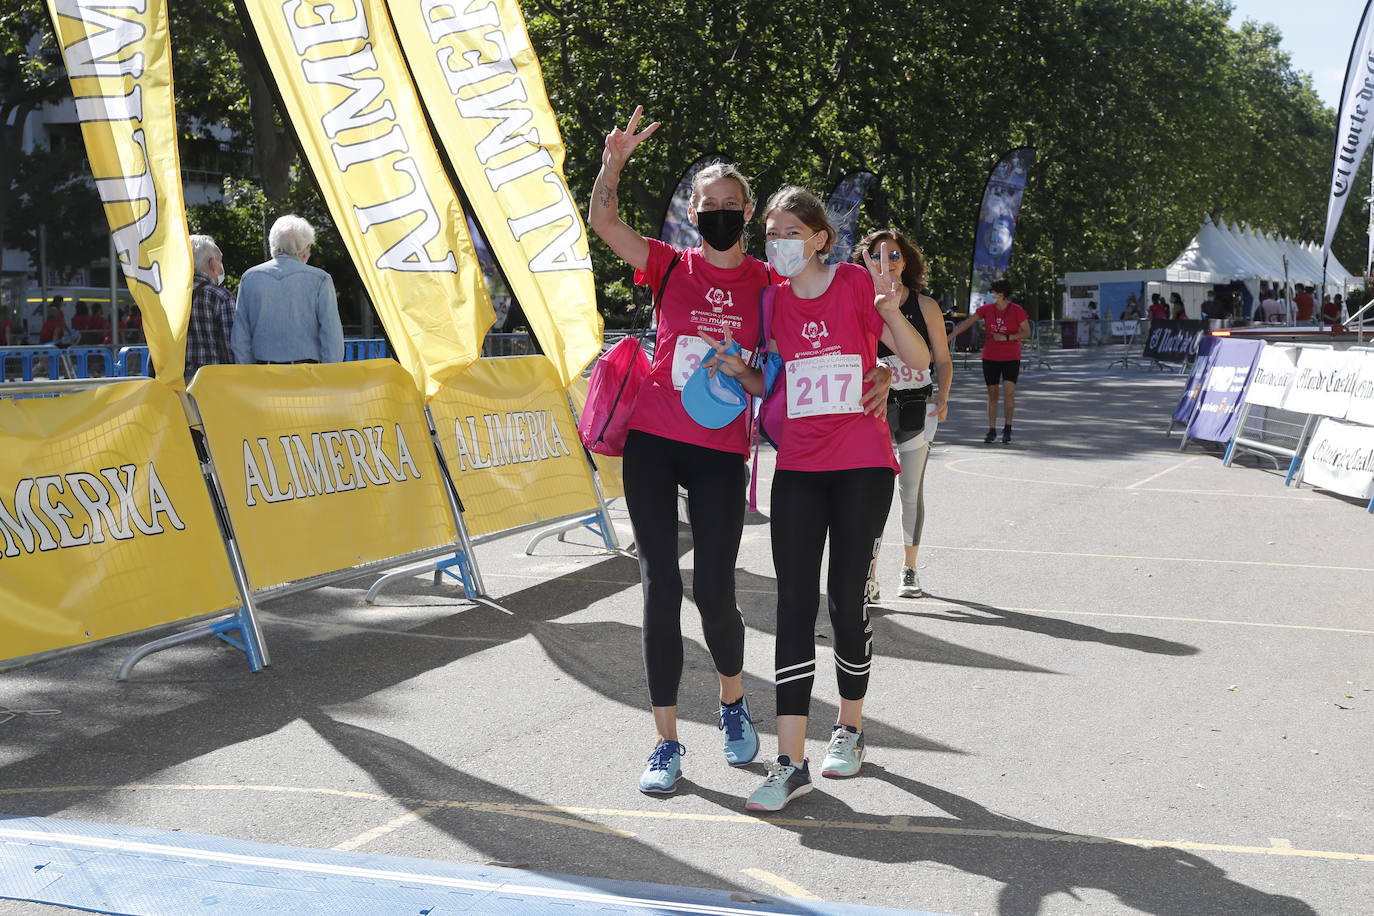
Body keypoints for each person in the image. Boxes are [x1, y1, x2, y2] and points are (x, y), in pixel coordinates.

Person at [586, 108, 890, 796]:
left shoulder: (767, 282)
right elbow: (606, 225)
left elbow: (821, 334)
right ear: (693, 213)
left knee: (715, 593)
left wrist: (879, 371)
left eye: (731, 206)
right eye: (708, 205)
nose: (719, 214)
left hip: (722, 452)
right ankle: (665, 743)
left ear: (747, 214)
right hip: (653, 443)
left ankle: (730, 702)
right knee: (660, 588)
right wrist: (614, 163)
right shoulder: (668, 265)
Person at [701, 186, 929, 811]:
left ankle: (850, 728)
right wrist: (734, 369)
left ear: (821, 238)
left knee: (846, 601)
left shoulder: (858, 284)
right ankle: (788, 761)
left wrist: (888, 319)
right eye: (771, 233)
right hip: (797, 468)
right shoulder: (772, 302)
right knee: (794, 608)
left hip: (861, 465)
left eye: (790, 234)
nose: (779, 244)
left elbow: (915, 359)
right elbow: (772, 380)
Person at [852, 229, 951, 602]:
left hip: (916, 405)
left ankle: (909, 570)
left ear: (905, 261)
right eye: (877, 256)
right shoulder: (860, 299)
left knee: (910, 490)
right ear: (865, 261)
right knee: (871, 493)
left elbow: (941, 359)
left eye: (893, 255)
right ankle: (869, 575)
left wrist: (943, 395)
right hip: (874, 405)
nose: (886, 263)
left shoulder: (925, 306)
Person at [231, 214, 344, 365]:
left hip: (262, 373)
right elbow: (332, 337)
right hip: (307, 374)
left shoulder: (250, 278)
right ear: (307, 247)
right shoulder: (320, 279)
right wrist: (328, 375)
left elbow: (240, 338)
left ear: (272, 243)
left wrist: (248, 373)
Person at [950, 278, 1029, 444]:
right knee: (992, 395)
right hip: (990, 357)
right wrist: (948, 337)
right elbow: (967, 323)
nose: (992, 295)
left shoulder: (1016, 310)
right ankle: (992, 429)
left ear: (1002, 294)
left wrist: (1007, 337)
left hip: (1011, 357)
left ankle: (1008, 427)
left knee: (1009, 393)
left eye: (994, 292)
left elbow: (1026, 332)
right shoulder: (987, 309)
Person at [187, 234, 235, 383]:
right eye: (220, 261)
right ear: (213, 264)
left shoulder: (169, 297)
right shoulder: (221, 297)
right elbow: (231, 346)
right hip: (212, 382)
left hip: (175, 383)